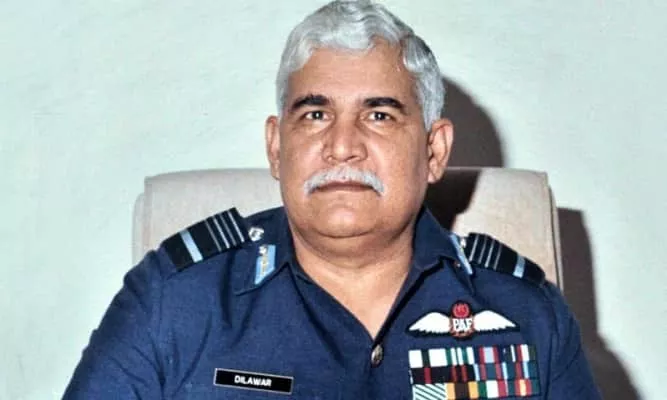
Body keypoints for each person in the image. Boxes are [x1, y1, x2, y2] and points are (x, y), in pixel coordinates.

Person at [64, 1, 600, 398]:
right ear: (277, 148)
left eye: (379, 115)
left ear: (434, 151)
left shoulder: (526, 313)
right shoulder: (174, 302)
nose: (342, 146)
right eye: (315, 114)